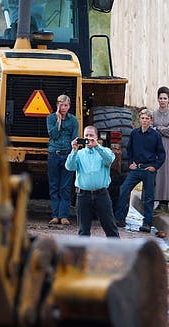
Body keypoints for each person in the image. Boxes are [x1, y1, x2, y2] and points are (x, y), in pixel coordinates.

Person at [114, 109, 165, 232]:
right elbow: (129, 149)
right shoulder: (134, 133)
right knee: (124, 189)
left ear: (150, 120)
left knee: (148, 197)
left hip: (149, 169)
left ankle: (147, 223)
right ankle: (119, 219)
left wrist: (155, 166)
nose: (145, 120)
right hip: (136, 169)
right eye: (142, 118)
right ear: (140, 119)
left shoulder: (156, 136)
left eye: (147, 118)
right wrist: (131, 162)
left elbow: (162, 154)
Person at [65, 125, 120, 238]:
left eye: (91, 136)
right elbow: (69, 167)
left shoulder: (104, 151)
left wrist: (97, 146)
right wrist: (74, 151)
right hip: (83, 195)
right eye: (86, 136)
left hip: (101, 195)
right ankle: (82, 255)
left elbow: (110, 159)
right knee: (83, 230)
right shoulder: (79, 154)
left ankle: (116, 253)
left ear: (97, 137)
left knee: (110, 227)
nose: (89, 138)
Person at [46, 94, 78, 225]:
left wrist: (73, 153)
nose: (63, 107)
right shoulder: (50, 118)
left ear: (69, 106)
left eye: (65, 105)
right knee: (54, 185)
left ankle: (63, 215)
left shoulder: (73, 120)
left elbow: (74, 138)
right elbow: (53, 135)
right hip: (54, 154)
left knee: (65, 186)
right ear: (57, 105)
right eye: (61, 104)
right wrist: (58, 121)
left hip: (67, 155)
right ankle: (55, 215)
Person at [152, 86, 169, 213]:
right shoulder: (153, 114)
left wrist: (158, 128)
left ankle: (165, 203)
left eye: (165, 98)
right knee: (156, 174)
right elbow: (149, 129)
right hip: (155, 148)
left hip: (168, 148)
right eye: (160, 98)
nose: (162, 100)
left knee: (167, 175)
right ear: (157, 99)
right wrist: (162, 128)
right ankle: (155, 200)